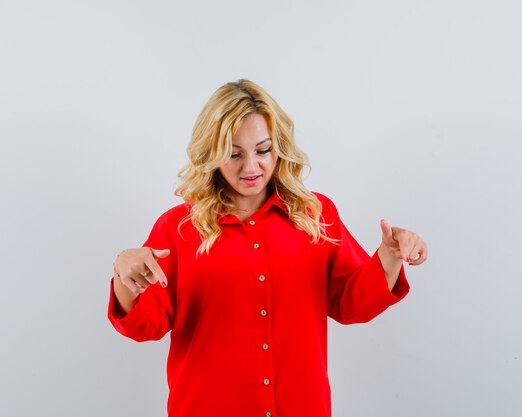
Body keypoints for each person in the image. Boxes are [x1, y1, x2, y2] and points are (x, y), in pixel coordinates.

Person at [108, 79, 428, 417]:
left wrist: (389, 259)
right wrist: (123, 273)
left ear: (280, 147)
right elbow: (146, 325)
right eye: (233, 154)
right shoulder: (178, 228)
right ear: (211, 154)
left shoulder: (316, 216)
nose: (250, 168)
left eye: (263, 150)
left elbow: (351, 304)